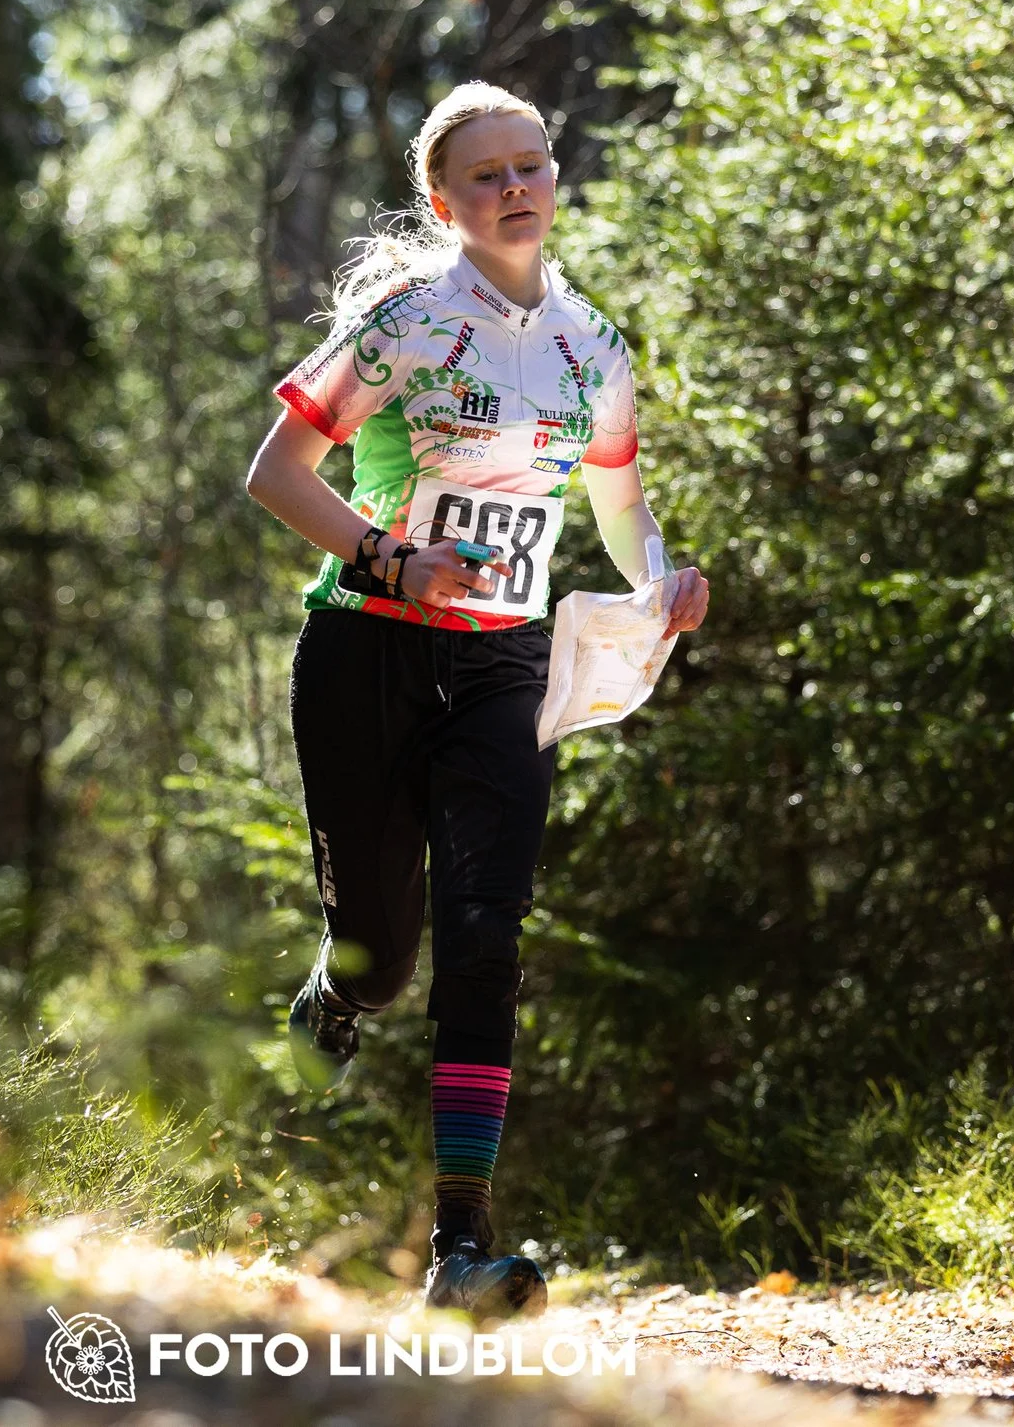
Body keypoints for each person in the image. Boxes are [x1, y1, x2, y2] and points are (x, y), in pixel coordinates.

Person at [244, 81, 710, 1319]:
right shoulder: (406, 321)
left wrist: (662, 578)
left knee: (486, 939)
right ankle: (336, 992)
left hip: (506, 664)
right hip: (366, 651)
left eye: (533, 165)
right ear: (443, 203)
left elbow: (615, 499)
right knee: (387, 959)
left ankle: (462, 1243)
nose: (517, 187)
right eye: (489, 174)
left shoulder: (593, 346)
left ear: (555, 179)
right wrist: (390, 557)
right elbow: (274, 470)